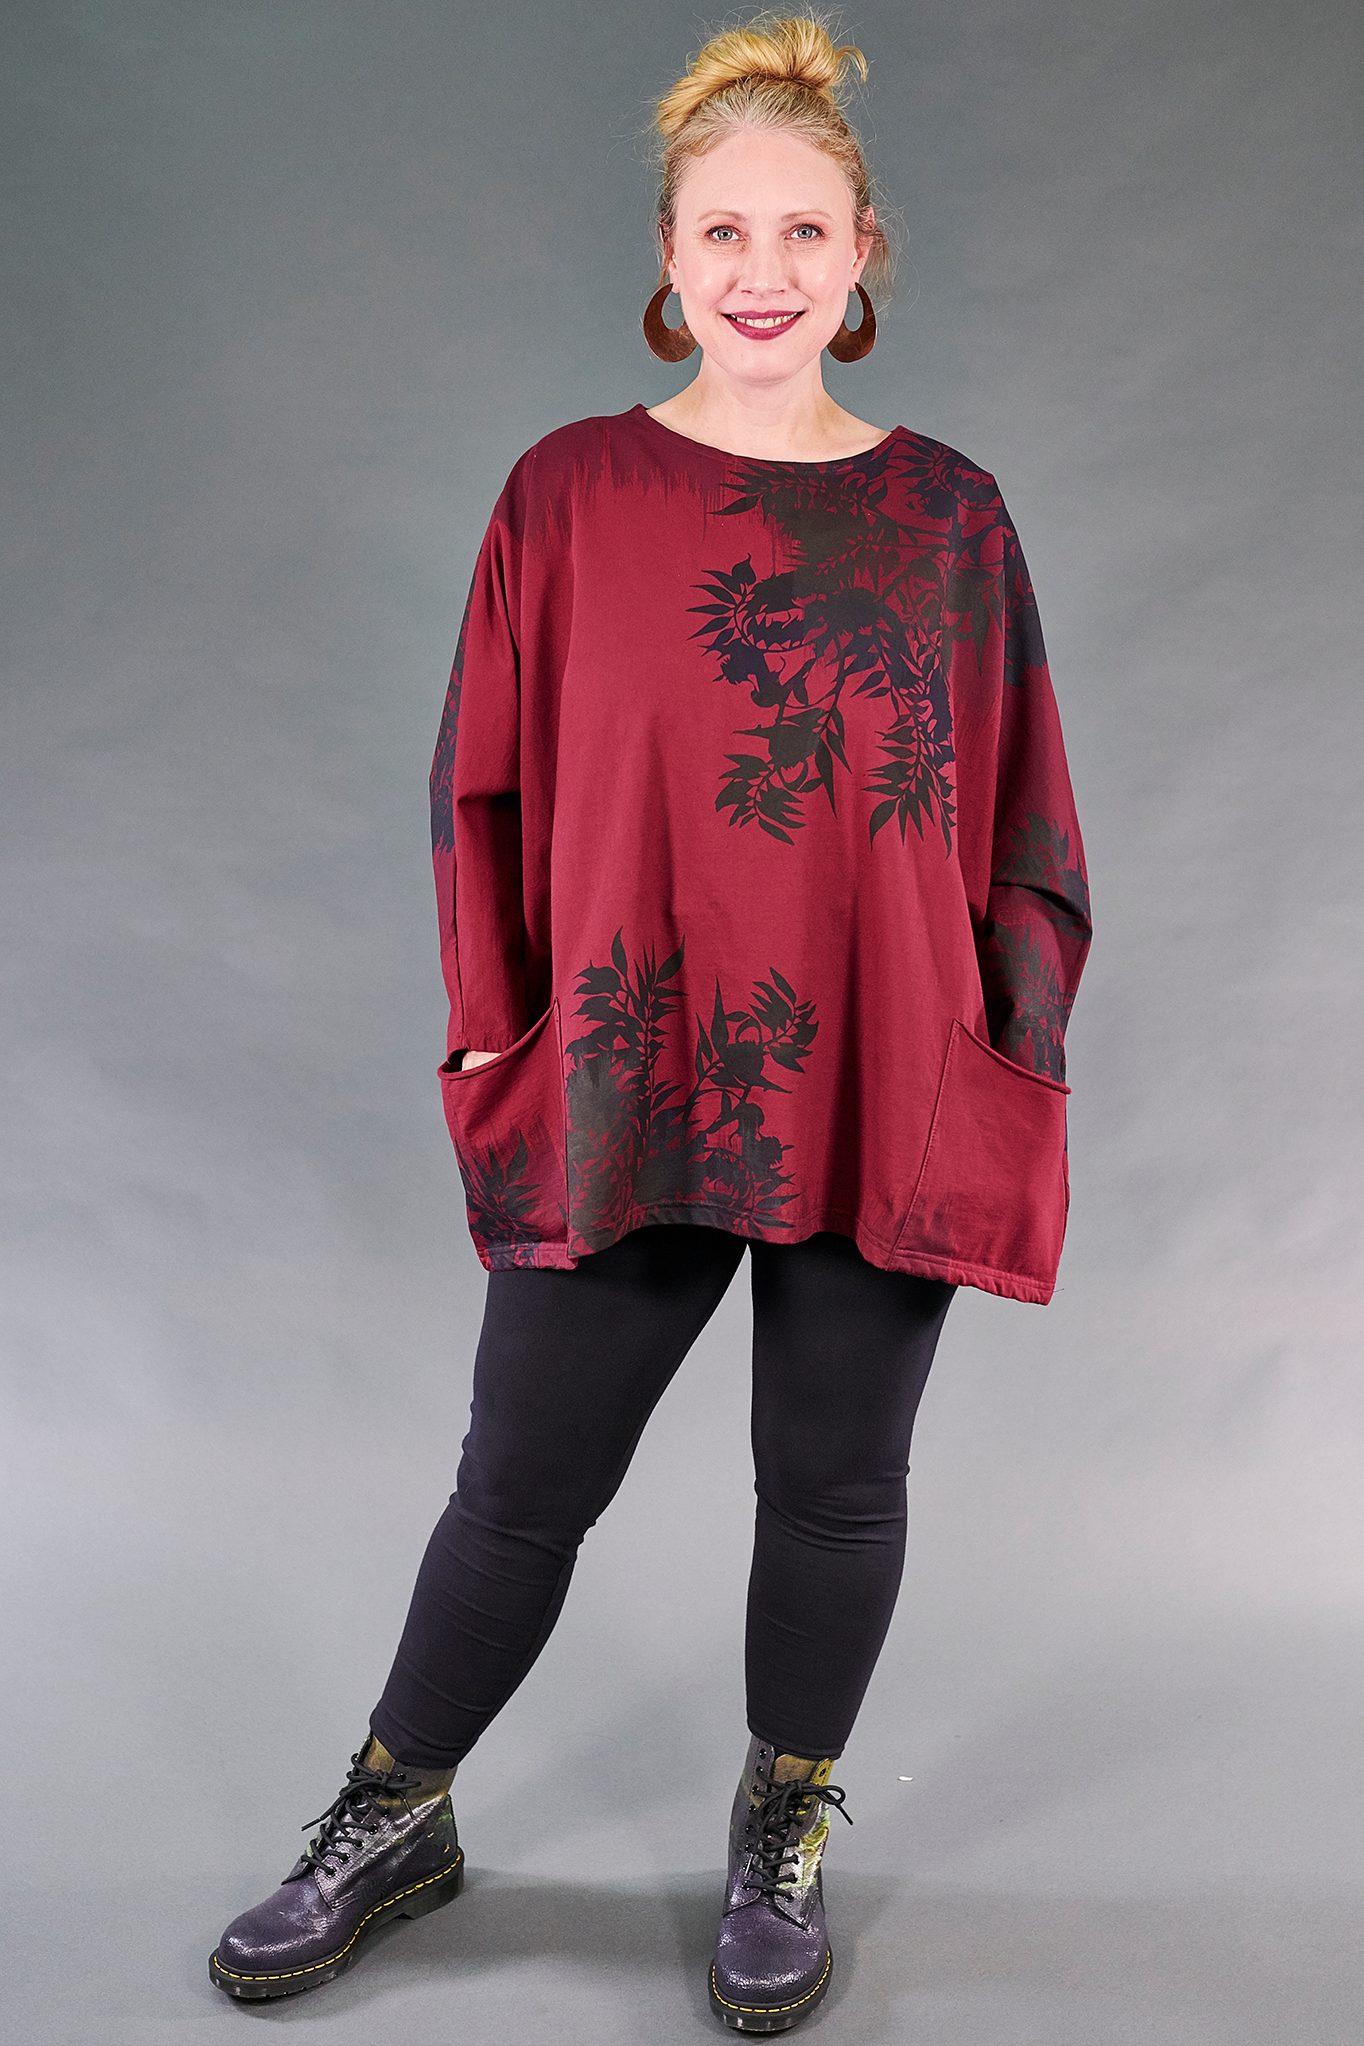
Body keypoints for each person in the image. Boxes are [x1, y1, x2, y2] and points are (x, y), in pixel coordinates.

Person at [209, 13, 1091, 2033]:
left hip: (878, 1072)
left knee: (837, 1483)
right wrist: (491, 1029)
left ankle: (781, 1822)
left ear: (864, 255)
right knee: (520, 1481)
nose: (762, 272)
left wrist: (1002, 1049)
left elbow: (1027, 819)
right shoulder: (568, 495)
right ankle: (391, 1811)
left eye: (803, 231)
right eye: (723, 233)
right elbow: (481, 787)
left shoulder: (952, 520)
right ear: (668, 259)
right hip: (626, 1066)